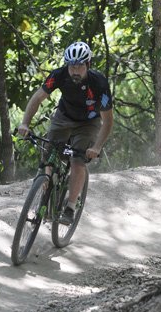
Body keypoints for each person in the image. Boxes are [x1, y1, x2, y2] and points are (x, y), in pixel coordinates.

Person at [18, 42, 114, 225]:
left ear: (88, 64)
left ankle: (70, 207)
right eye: (71, 65)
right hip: (63, 117)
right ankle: (46, 189)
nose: (75, 70)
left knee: (78, 161)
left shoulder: (99, 83)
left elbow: (108, 120)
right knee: (49, 153)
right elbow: (37, 98)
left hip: (88, 122)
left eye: (79, 66)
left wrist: (96, 147)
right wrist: (25, 123)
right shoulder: (59, 75)